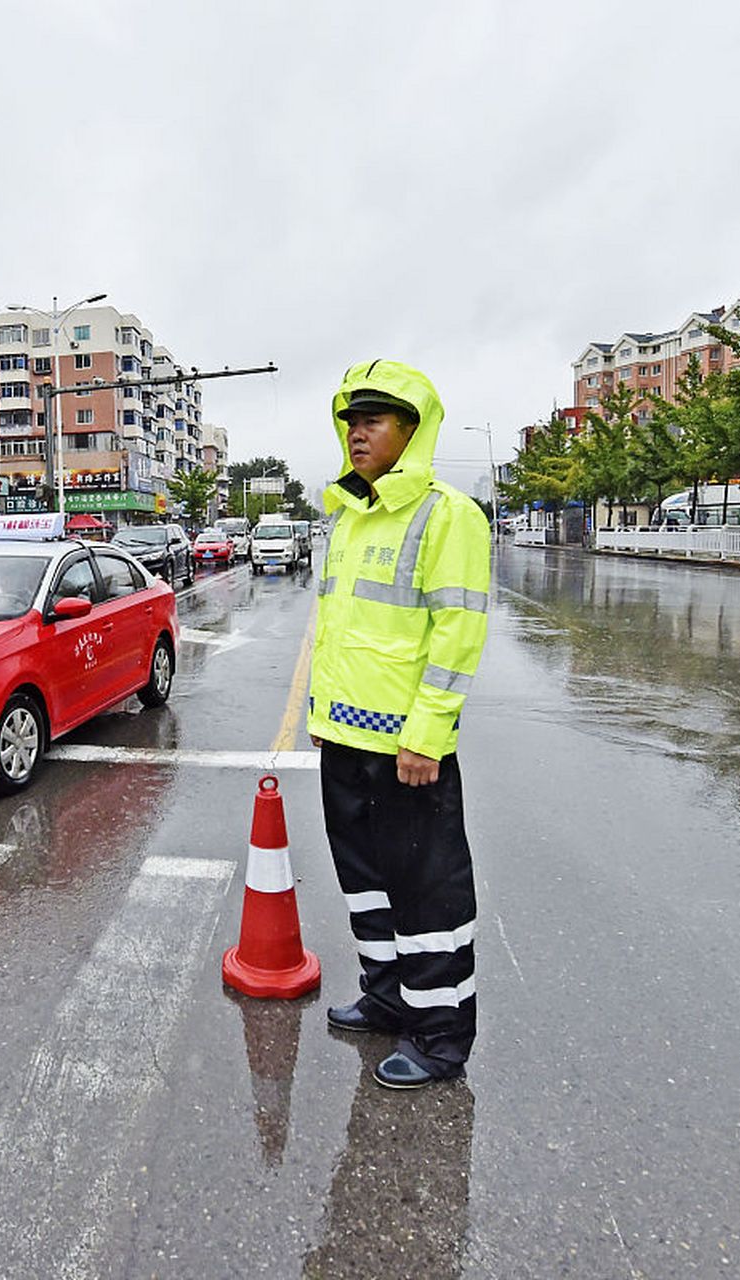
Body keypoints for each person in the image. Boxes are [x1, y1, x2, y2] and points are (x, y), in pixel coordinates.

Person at [307, 358, 491, 1090]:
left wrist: (427, 735)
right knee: (367, 884)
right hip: (346, 742)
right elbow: (340, 630)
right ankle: (388, 998)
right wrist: (322, 716)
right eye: (351, 420)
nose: (356, 433)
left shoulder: (446, 514)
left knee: (427, 895)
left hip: (407, 751)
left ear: (412, 433)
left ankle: (440, 1037)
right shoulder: (351, 515)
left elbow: (457, 632)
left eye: (373, 420)